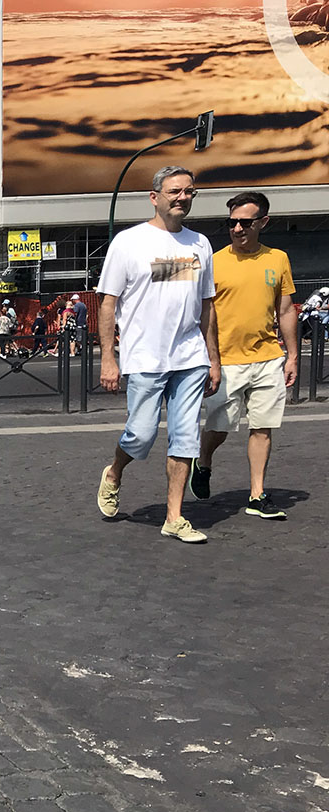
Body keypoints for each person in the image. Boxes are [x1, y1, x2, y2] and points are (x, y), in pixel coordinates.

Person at [96, 165, 220, 543]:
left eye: (189, 192)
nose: (183, 197)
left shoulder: (199, 244)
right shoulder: (128, 242)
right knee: (141, 434)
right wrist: (108, 357)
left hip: (190, 358)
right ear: (155, 197)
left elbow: (207, 306)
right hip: (145, 358)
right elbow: (107, 303)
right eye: (174, 191)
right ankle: (115, 471)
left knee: (185, 439)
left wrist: (213, 358)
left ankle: (174, 517)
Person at [189, 191, 298, 520]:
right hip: (225, 361)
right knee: (220, 427)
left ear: (263, 222)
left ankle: (257, 494)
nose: (237, 228)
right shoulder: (213, 261)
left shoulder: (277, 259)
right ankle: (203, 461)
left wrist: (292, 355)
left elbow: (286, 309)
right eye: (232, 222)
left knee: (263, 427)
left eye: (245, 222)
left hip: (267, 356)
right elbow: (190, 302)